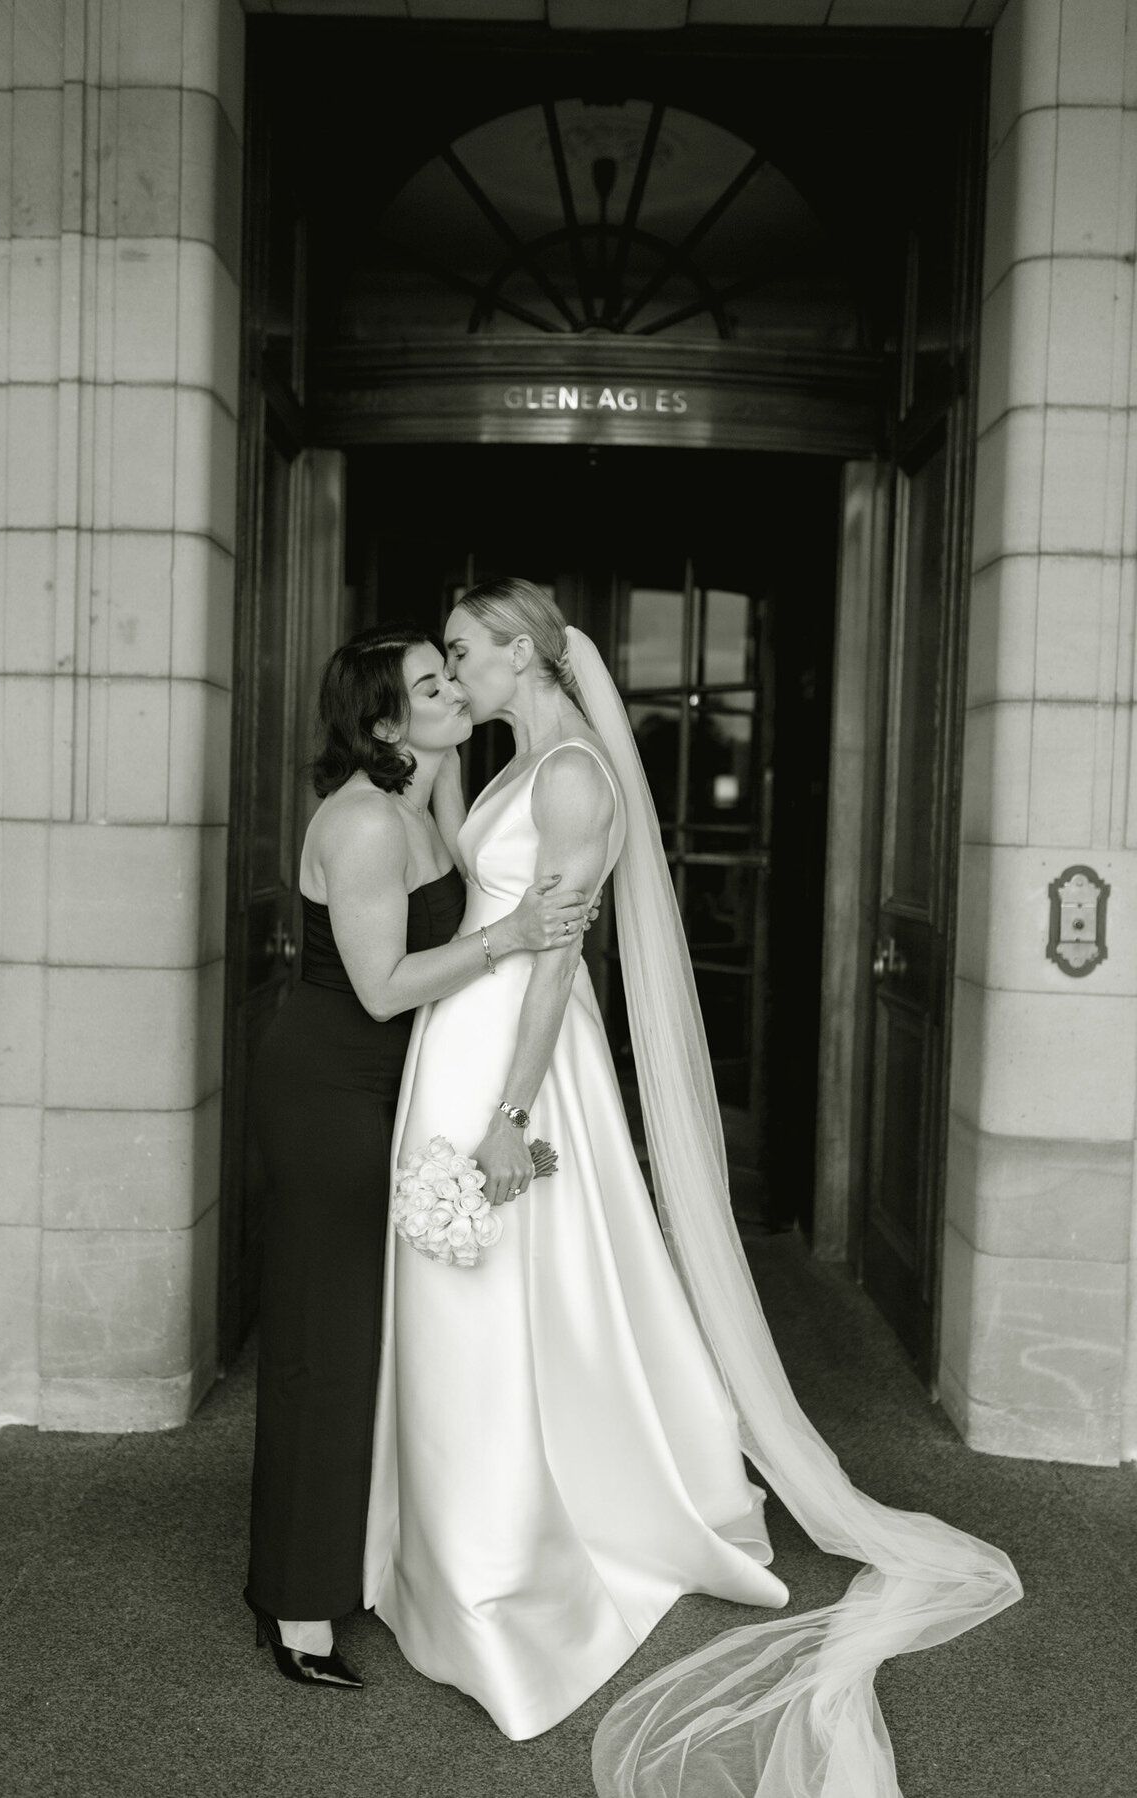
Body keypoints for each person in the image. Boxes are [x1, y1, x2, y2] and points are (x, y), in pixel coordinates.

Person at [364, 583, 1022, 1795]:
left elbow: (555, 962)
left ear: (522, 653)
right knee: (503, 1300)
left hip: (513, 1057)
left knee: (502, 1295)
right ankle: (452, 1552)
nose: (452, 673)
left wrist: (511, 1119)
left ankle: (501, 1572)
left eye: (463, 652)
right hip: (460, 1038)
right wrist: (430, 749)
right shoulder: (519, 761)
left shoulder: (572, 780)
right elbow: (473, 866)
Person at [244, 624, 590, 1689]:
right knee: (325, 1337)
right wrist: (513, 934)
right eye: (430, 685)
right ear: (383, 719)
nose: (453, 689)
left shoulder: (423, 795)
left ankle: (363, 1562)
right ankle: (295, 1606)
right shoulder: (358, 821)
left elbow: (481, 843)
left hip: (393, 1089)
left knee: (375, 1339)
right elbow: (385, 986)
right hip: (331, 1094)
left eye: (452, 674)